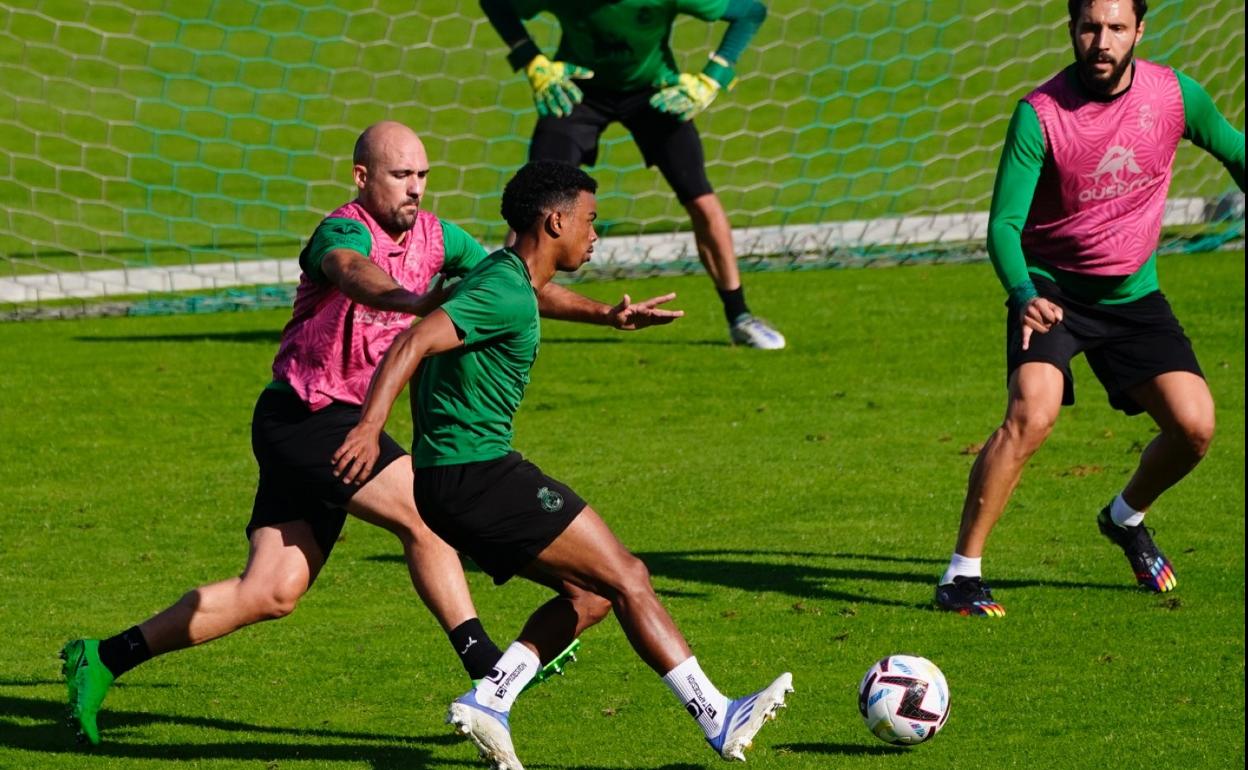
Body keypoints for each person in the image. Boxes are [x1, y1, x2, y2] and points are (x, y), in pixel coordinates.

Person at [61, 122, 684, 745]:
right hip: (308, 418)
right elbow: (352, 271)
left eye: (422, 176)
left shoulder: (439, 236)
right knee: (424, 510)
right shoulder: (342, 229)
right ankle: (487, 668)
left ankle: (104, 657)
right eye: (399, 176)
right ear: (363, 178)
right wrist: (414, 304)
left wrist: (606, 314)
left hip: (345, 426)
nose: (414, 189)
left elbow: (518, 282)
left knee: (271, 591)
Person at [333, 160, 792, 768]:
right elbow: (413, 341)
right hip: (478, 475)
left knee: (591, 594)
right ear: (555, 221)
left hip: (454, 481)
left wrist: (609, 315)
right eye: (590, 220)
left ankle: (492, 698)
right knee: (627, 576)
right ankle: (717, 716)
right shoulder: (499, 288)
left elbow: (534, 297)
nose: (596, 234)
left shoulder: (505, 276)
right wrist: (369, 427)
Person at [934, 0, 1245, 616]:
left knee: (1195, 427)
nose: (1101, 41)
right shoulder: (1040, 115)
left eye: (1116, 28)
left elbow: (1236, 151)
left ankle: (1125, 518)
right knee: (1033, 413)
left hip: (1132, 297)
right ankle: (960, 576)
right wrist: (1024, 293)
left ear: (1139, 31)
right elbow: (1002, 225)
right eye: (1089, 27)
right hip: (1051, 291)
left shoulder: (1175, 97)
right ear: (1072, 29)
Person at [478, 0, 786, 350]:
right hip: (578, 90)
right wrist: (531, 59)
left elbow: (751, 12)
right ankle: (502, 319)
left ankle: (740, 317)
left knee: (701, 200)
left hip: (655, 93)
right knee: (537, 204)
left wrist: (712, 78)